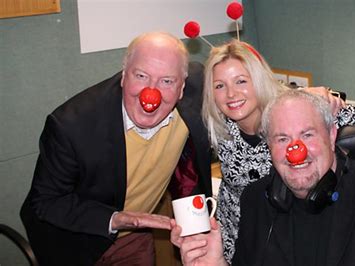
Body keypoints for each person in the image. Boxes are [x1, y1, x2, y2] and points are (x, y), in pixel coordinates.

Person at [201, 40, 355, 261]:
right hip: (235, 240)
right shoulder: (218, 124)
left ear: (258, 81)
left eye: (241, 81)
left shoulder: (289, 114)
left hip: (285, 233)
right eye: (220, 85)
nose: (231, 94)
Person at [172, 90, 355, 266]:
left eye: (307, 135)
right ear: (269, 146)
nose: (295, 151)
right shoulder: (256, 200)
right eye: (282, 138)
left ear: (332, 135)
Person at [20, 32, 212, 265]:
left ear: (182, 87)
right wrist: (117, 219)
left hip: (133, 239)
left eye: (167, 81)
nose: (150, 94)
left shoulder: (197, 87)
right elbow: (46, 201)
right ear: (123, 76)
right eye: (141, 76)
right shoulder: (72, 125)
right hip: (73, 240)